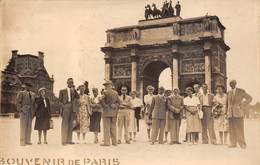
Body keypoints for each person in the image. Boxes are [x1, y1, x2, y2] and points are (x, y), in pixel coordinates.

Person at [227, 80, 252, 149]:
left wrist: (242, 105)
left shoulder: (241, 91)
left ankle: (242, 144)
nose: (231, 85)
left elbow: (249, 98)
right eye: (230, 84)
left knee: (239, 129)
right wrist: (227, 113)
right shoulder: (228, 92)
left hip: (238, 113)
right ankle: (233, 143)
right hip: (230, 114)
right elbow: (227, 104)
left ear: (235, 84)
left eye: (233, 83)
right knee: (231, 129)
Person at [59, 78, 79, 145]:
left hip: (72, 108)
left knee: (70, 124)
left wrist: (75, 89)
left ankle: (69, 140)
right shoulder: (62, 91)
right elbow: (59, 101)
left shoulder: (73, 90)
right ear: (67, 82)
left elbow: (78, 96)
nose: (71, 83)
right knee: (65, 124)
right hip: (66, 107)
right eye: (70, 82)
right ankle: (63, 141)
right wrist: (64, 107)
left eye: (72, 82)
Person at [100, 80, 120, 146]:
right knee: (113, 127)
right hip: (114, 112)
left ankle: (107, 142)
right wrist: (115, 105)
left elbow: (101, 100)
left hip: (106, 112)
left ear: (107, 86)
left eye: (105, 85)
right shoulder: (116, 93)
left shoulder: (105, 92)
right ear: (111, 85)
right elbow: (119, 102)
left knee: (106, 128)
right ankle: (114, 142)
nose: (105, 87)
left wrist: (105, 106)